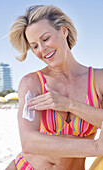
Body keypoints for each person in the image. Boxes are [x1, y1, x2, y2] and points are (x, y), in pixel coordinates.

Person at [6, 5, 103, 170]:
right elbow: (29, 142)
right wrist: (96, 147)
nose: (42, 49)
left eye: (45, 39)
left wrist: (68, 104)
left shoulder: (98, 80)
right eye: (34, 46)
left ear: (64, 31)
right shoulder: (32, 83)